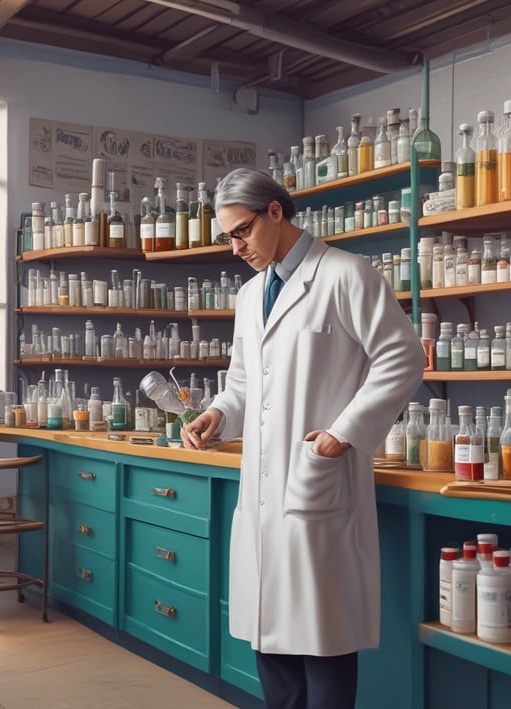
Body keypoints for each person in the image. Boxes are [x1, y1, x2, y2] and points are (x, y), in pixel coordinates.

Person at [181, 167, 425, 709]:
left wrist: (344, 432)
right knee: (270, 636)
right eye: (227, 237)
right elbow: (244, 381)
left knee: (323, 637)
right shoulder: (249, 295)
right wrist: (219, 414)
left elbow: (403, 356)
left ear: (275, 212)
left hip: (317, 481)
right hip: (265, 490)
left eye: (242, 231)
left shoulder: (345, 274)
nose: (235, 246)